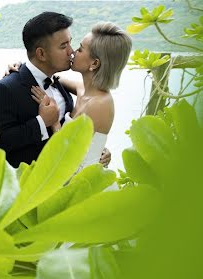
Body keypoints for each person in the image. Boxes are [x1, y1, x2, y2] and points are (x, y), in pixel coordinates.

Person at [0, 12, 109, 169]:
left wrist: (96, 152)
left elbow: (71, 135)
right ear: (41, 54)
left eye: (70, 43)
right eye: (63, 46)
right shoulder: (5, 89)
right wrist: (41, 122)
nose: (71, 51)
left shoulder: (58, 82)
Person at [29, 22, 133, 172]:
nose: (73, 52)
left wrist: (54, 121)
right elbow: (52, 76)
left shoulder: (100, 104)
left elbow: (68, 154)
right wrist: (20, 68)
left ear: (94, 63)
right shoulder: (82, 90)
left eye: (80, 49)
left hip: (81, 180)